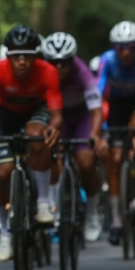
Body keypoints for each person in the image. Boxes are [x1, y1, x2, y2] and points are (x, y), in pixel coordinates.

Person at [0, 25, 62, 266]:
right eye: (16, 56)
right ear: (8, 55)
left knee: (37, 137)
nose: (22, 61)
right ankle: (5, 231)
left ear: (37, 56)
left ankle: (43, 202)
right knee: (1, 174)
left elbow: (56, 114)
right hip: (6, 117)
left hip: (37, 112)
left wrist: (53, 128)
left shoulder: (48, 71)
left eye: (28, 56)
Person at [97, 21, 135, 245]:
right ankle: (116, 220)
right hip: (116, 105)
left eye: (131, 47)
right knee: (114, 160)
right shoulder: (107, 60)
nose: (125, 52)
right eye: (120, 47)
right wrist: (99, 125)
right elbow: (98, 94)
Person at [41, 33, 107, 241]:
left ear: (73, 60)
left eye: (65, 62)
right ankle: (54, 207)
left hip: (81, 118)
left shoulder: (82, 72)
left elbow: (96, 109)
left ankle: (92, 211)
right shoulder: (42, 72)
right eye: (54, 62)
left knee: (86, 161)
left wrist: (95, 134)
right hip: (56, 117)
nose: (59, 67)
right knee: (53, 159)